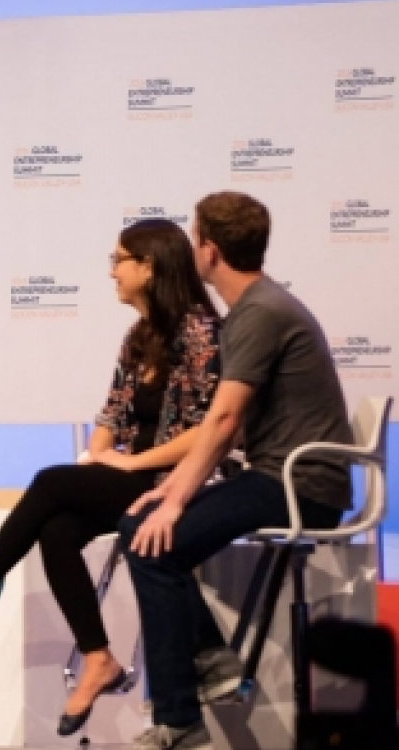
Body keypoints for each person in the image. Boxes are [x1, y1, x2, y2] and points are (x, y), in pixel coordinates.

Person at [0, 218, 224, 735]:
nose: (111, 271)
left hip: (185, 481)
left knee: (50, 483)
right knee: (57, 528)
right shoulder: (140, 335)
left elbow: (211, 431)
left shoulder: (199, 332)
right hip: (139, 475)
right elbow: (112, 415)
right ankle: (98, 657)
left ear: (149, 266)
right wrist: (98, 455)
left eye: (118, 260)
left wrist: (130, 463)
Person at [118, 192, 354, 750]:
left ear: (210, 250)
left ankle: (179, 718)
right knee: (141, 530)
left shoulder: (259, 313)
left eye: (194, 236)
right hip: (278, 476)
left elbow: (222, 421)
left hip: (297, 486)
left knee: (156, 541)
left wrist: (174, 501)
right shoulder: (258, 308)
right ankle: (213, 663)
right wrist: (170, 491)